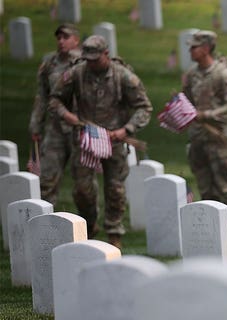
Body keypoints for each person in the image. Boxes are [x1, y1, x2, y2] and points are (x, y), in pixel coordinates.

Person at [49, 35, 153, 248]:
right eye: (88, 59)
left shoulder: (123, 76)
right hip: (86, 140)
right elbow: (55, 98)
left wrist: (127, 129)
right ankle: (90, 222)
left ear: (107, 54)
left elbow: (144, 107)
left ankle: (114, 233)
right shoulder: (77, 73)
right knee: (82, 189)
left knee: (115, 189)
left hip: (114, 140)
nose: (92, 63)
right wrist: (67, 115)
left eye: (96, 59)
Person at [183, 30, 227, 214]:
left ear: (206, 48)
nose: (190, 51)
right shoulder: (192, 75)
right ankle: (212, 228)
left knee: (224, 187)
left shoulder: (222, 74)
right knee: (205, 188)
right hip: (198, 137)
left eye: (194, 47)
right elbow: (186, 101)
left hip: (219, 138)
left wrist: (206, 114)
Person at [28, 23, 81, 205]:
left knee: (83, 182)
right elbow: (42, 96)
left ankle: (89, 225)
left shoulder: (85, 63)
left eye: (66, 37)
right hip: (55, 128)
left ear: (76, 40)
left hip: (78, 128)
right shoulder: (50, 64)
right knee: (46, 179)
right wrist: (36, 125)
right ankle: (45, 222)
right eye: (58, 38)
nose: (61, 41)